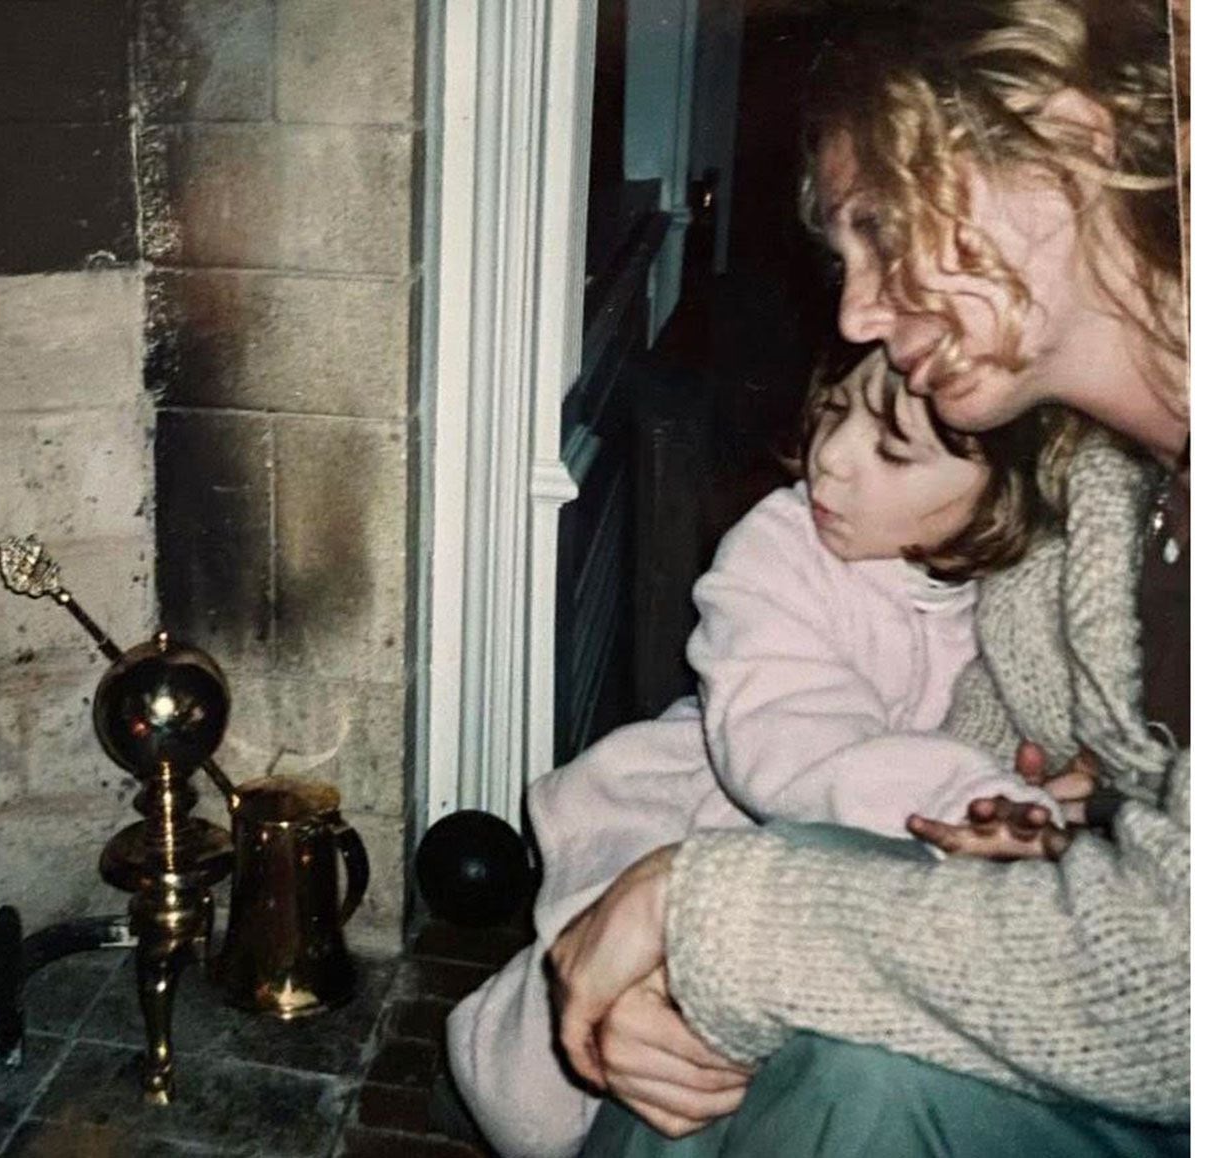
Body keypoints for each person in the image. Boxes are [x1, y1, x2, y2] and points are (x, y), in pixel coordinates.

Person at [548, 0, 1189, 1154]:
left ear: (1073, 136)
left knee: (851, 1071)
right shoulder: (1097, 504)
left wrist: (704, 906)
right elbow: (983, 757)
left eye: (883, 228)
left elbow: (1201, 993)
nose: (853, 310)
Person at [447, 347, 1065, 1158]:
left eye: (892, 449)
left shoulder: (1029, 586)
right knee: (546, 1091)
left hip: (862, 883)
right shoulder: (778, 545)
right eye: (835, 412)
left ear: (1002, 497)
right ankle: (473, 1070)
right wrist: (969, 802)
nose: (831, 460)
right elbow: (795, 738)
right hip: (716, 811)